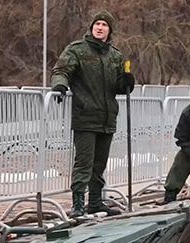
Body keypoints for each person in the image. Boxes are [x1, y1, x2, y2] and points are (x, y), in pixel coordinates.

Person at [51, 10, 135, 217]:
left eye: (104, 25)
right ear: (91, 28)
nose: (100, 27)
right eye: (97, 24)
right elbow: (61, 70)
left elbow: (118, 86)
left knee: (99, 164)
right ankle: (78, 204)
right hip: (85, 115)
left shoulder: (115, 55)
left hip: (107, 118)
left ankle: (96, 202)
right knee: (84, 163)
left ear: (109, 30)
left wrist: (126, 83)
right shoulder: (77, 50)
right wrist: (59, 86)